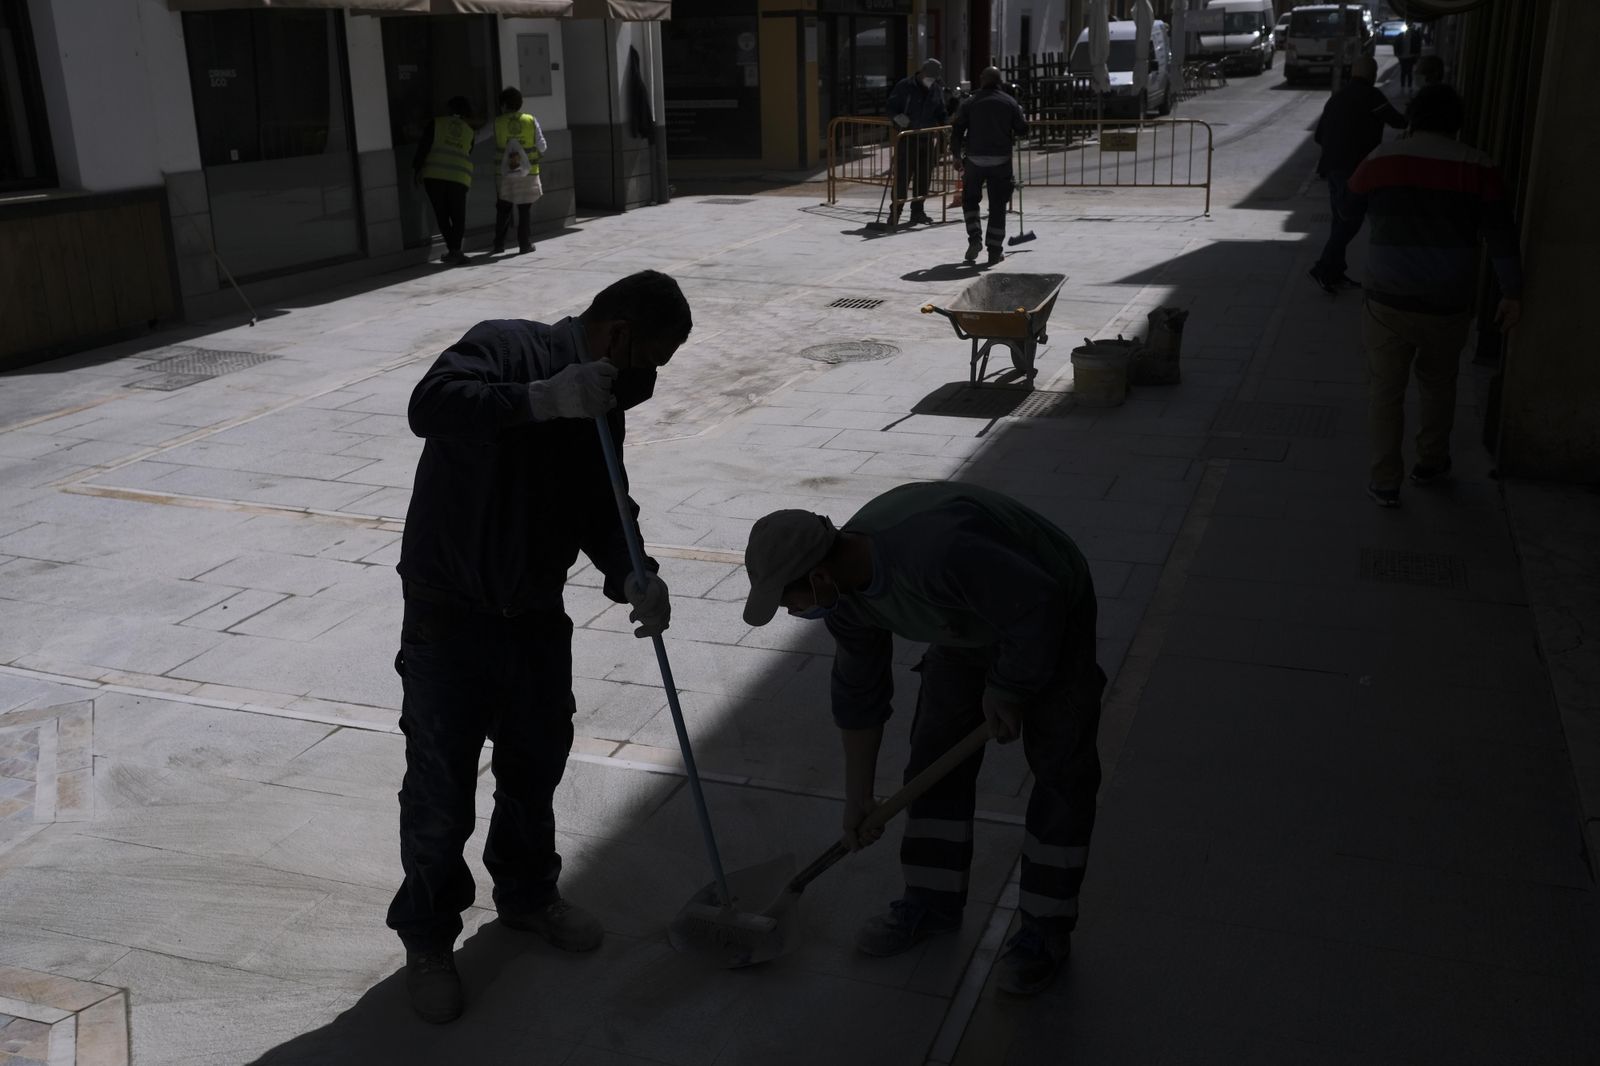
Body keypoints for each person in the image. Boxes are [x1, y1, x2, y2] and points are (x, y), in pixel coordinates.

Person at [391, 271, 693, 1022]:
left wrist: (634, 573)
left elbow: (602, 499)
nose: (648, 379)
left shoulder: (605, 398)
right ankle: (428, 938)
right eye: (650, 359)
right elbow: (428, 407)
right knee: (440, 789)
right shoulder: (504, 346)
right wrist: (537, 400)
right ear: (618, 332)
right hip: (448, 614)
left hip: (531, 613)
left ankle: (527, 896)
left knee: (535, 765)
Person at [741, 482, 1105, 997]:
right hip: (961, 619)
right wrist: (858, 799)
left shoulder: (936, 552)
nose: (791, 612)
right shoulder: (844, 597)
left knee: (1061, 775)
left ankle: (1044, 932)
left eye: (789, 600)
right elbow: (860, 696)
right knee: (933, 761)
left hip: (1047, 604)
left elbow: (1037, 604)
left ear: (819, 576)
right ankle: (931, 902)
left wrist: (1009, 688)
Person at [1345, 84, 1522, 507]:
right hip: (1449, 298)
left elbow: (1348, 208)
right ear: (1456, 123)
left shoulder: (1382, 159)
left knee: (1385, 391)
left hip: (1388, 297)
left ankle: (1386, 481)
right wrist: (1512, 291)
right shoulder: (1478, 165)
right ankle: (1431, 461)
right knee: (1439, 384)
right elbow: (1501, 236)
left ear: (1414, 118)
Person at [1308, 56, 1406, 293]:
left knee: (1340, 220)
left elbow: (1318, 135)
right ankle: (1323, 267)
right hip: (1355, 169)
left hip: (1332, 168)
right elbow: (1398, 122)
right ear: (1372, 75)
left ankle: (1334, 271)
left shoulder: (1336, 98)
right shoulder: (1372, 97)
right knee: (1351, 220)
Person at [950, 66, 1028, 267]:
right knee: (998, 206)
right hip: (1001, 161)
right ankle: (994, 251)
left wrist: (956, 155)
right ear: (1000, 81)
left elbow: (957, 130)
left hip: (975, 160)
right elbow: (1022, 130)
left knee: (970, 200)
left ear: (982, 80)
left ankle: (974, 238)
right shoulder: (1009, 102)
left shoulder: (970, 102)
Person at [886, 58, 954, 228]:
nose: (931, 80)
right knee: (903, 178)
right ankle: (895, 211)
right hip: (908, 138)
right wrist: (897, 118)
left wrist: (946, 126)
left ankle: (918, 211)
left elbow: (941, 111)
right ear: (922, 72)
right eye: (929, 76)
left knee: (924, 177)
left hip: (927, 138)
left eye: (934, 77)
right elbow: (891, 107)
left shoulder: (936, 88)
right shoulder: (905, 86)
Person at [413, 97, 479, 266]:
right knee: (458, 216)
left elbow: (423, 147)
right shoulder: (469, 131)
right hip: (459, 177)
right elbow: (468, 151)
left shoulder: (436, 123)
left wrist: (417, 169)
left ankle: (453, 250)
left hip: (434, 176)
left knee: (441, 215)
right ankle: (456, 250)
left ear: (449, 109)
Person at [492, 87, 547, 256]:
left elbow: (479, 136)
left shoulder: (497, 122)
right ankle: (525, 244)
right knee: (524, 210)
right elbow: (543, 146)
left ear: (503, 105)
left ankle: (499, 245)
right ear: (519, 104)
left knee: (503, 208)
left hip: (505, 173)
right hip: (528, 173)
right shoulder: (531, 120)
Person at [1397, 23, 1423, 92]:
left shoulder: (1413, 36)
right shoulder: (1401, 36)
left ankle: (1408, 85)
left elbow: (1417, 45)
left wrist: (1417, 54)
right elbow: (1396, 44)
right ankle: (1404, 85)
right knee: (1405, 71)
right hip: (1404, 56)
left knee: (1408, 72)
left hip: (1409, 56)